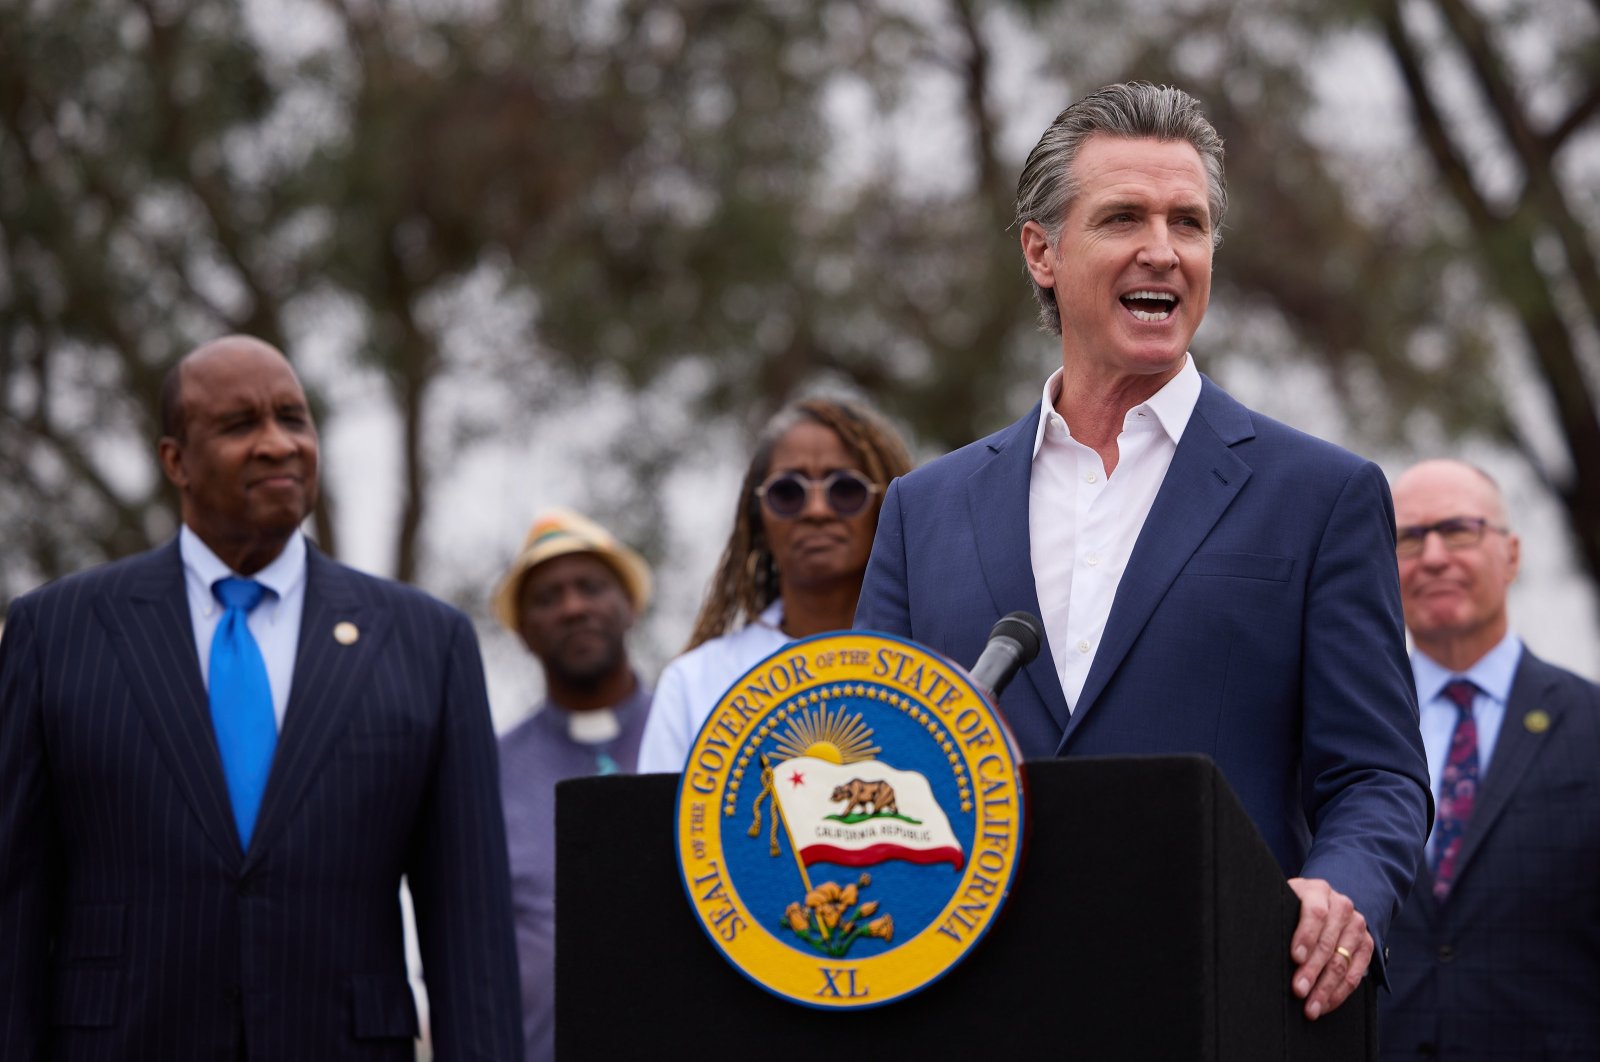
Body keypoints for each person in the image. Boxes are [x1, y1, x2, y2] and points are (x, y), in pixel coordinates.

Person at [853, 82, 1431, 1021]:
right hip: (966, 1008)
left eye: (1188, 223)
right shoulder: (925, 509)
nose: (1162, 249)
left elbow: (1376, 774)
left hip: (1219, 999)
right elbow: (868, 756)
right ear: (1042, 252)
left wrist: (1346, 890)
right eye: (1123, 217)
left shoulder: (1320, 496)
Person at [0, 335, 521, 1059]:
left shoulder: (427, 643)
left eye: (293, 419)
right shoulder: (55, 632)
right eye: (241, 424)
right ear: (175, 461)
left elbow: (472, 932)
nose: (278, 444)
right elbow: (14, 905)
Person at [1380, 459, 1600, 1059]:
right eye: (1407, 538)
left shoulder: (1590, 723)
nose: (1432, 558)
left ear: (1512, 553)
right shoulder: (1340, 732)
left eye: (1458, 531)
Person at [637, 396, 912, 771]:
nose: (817, 510)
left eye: (846, 490)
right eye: (788, 493)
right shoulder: (693, 684)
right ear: (759, 522)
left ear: (888, 508)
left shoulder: (933, 657)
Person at [493, 508, 654, 1062]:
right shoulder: (488, 772)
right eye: (547, 597)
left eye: (591, 586)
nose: (573, 607)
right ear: (521, 631)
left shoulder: (698, 742)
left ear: (629, 605)